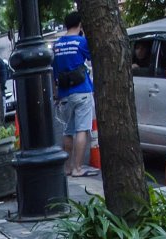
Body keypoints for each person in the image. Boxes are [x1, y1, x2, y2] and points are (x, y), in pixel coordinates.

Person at [53, 12, 98, 178]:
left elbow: (54, 70)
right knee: (82, 130)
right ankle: (77, 168)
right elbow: (92, 58)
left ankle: (66, 167)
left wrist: (55, 93)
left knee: (68, 131)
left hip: (64, 92)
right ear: (80, 24)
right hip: (82, 91)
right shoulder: (81, 42)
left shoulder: (57, 45)